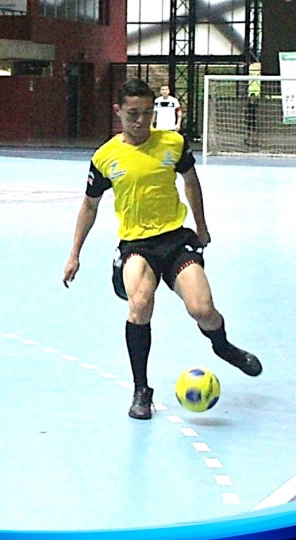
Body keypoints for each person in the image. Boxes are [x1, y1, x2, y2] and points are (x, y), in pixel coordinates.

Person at [63, 79, 262, 421]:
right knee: (140, 304)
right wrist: (74, 253)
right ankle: (142, 390)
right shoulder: (105, 157)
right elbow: (90, 206)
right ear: (119, 112)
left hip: (175, 239)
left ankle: (223, 345)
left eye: (146, 113)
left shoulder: (173, 143)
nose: (140, 121)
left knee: (203, 310)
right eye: (132, 114)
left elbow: (191, 182)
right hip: (135, 245)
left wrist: (201, 226)